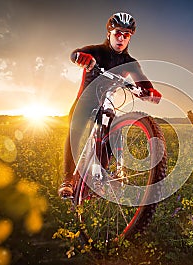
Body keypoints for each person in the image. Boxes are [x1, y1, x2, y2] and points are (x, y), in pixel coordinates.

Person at [58, 12, 162, 198]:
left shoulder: (130, 63)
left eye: (126, 34)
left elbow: (142, 81)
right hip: (85, 101)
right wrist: (81, 58)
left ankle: (100, 178)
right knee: (75, 133)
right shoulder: (96, 51)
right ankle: (68, 180)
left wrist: (149, 92)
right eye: (117, 33)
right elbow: (74, 54)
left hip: (106, 104)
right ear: (109, 34)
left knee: (111, 134)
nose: (121, 38)